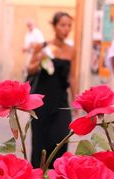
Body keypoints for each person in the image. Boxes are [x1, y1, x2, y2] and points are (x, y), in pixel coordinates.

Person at [27, 12, 77, 169]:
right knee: (40, 140)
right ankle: (38, 177)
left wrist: (75, 101)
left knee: (62, 136)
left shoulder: (71, 50)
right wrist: (40, 60)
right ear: (54, 26)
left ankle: (57, 175)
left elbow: (72, 77)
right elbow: (29, 70)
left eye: (69, 25)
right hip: (41, 101)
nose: (66, 29)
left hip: (61, 101)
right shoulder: (42, 47)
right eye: (63, 25)